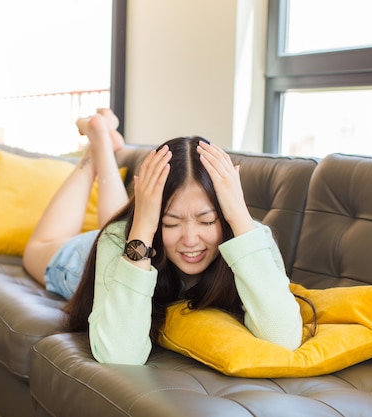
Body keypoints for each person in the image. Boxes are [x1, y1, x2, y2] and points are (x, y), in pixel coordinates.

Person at [59, 133, 304, 365]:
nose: (190, 240)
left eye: (207, 221)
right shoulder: (118, 240)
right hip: (77, 260)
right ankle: (98, 140)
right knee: (42, 245)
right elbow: (119, 356)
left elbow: (284, 338)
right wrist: (143, 227)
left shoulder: (252, 237)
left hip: (131, 234)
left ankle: (101, 138)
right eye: (171, 222)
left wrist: (239, 215)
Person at [23, 108, 129, 299]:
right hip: (94, 252)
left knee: (118, 238)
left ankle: (99, 142)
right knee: (35, 249)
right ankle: (99, 141)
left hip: (102, 246)